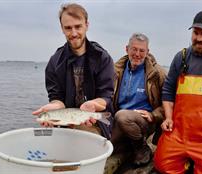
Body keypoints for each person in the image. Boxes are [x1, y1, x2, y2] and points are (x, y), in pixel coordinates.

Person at [32, 3, 114, 139]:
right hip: (65, 121)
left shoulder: (102, 58)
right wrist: (54, 106)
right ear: (62, 29)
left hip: (95, 121)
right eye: (68, 28)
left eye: (78, 26)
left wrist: (94, 104)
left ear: (87, 25)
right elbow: (56, 97)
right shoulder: (55, 62)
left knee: (82, 135)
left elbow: (106, 96)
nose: (74, 33)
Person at [154, 9, 202, 174]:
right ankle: (189, 163)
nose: (199, 38)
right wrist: (168, 117)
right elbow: (167, 90)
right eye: (196, 32)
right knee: (161, 165)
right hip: (179, 133)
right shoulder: (181, 57)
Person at [104, 33, 166, 174]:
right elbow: (105, 95)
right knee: (105, 146)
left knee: (123, 116)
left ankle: (142, 148)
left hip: (144, 120)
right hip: (118, 120)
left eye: (141, 50)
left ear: (147, 52)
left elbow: (170, 101)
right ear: (127, 49)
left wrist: (154, 115)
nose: (137, 54)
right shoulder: (116, 70)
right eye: (134, 49)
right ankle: (127, 144)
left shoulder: (158, 73)